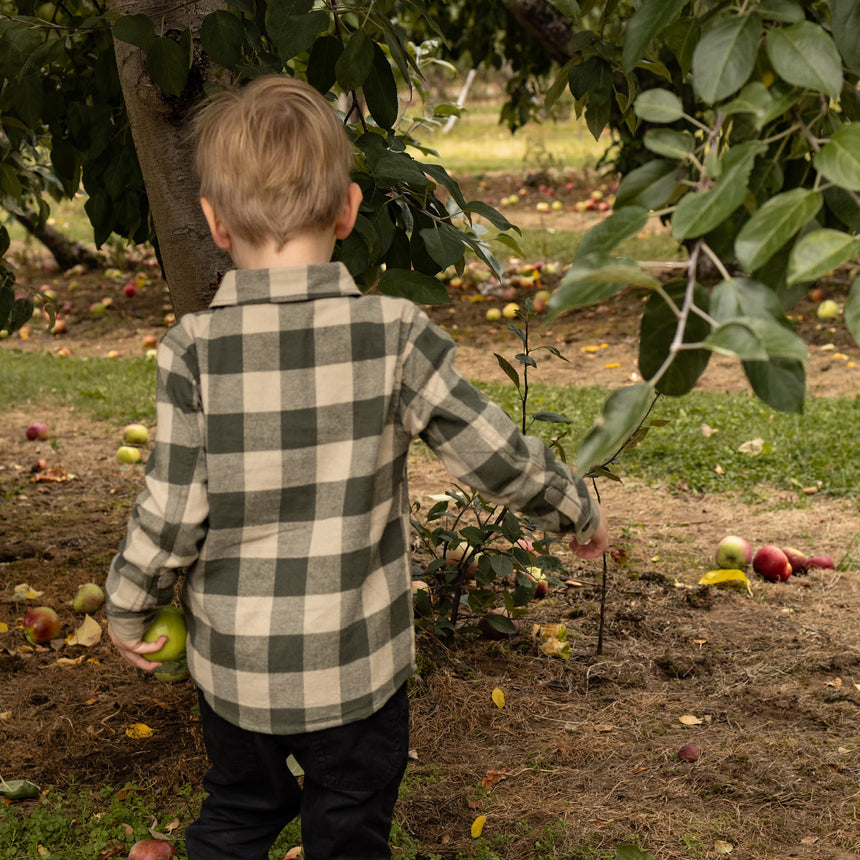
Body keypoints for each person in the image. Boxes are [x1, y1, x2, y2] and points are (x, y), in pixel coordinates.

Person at [105, 74, 608, 860]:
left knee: (240, 810)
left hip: (235, 670)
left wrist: (129, 604)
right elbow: (492, 451)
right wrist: (574, 506)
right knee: (348, 831)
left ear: (213, 223)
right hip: (355, 669)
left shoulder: (193, 352)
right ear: (348, 208)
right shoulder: (394, 335)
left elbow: (171, 507)